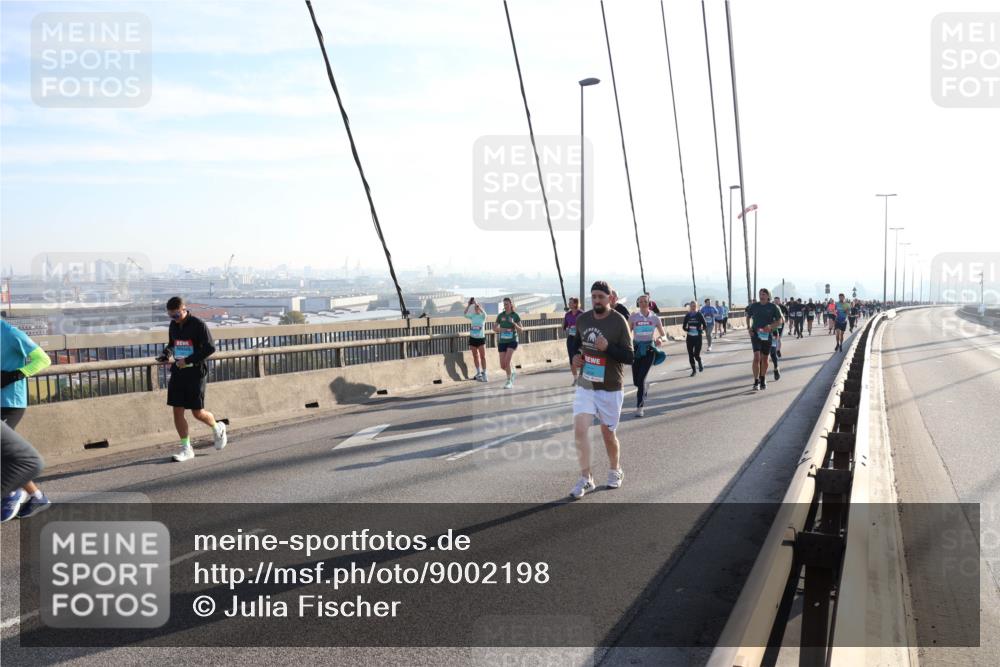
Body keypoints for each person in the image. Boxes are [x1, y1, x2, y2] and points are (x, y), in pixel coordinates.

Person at [569, 281, 633, 499]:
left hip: (610, 387)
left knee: (607, 433)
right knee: (580, 430)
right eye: (593, 296)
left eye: (600, 297)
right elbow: (576, 345)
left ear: (609, 298)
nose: (596, 300)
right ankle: (586, 478)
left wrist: (609, 348)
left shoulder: (619, 322)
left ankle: (616, 470)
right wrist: (576, 359)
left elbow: (629, 357)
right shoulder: (583, 319)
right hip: (587, 384)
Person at [158, 296, 228, 462]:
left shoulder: (198, 325)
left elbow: (210, 348)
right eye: (170, 316)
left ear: (184, 309)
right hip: (178, 373)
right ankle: (186, 448)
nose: (173, 319)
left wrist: (188, 360)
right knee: (177, 410)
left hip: (196, 373)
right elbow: (172, 343)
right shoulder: (173, 325)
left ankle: (217, 427)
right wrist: (166, 353)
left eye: (175, 315)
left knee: (197, 413)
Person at [1, 319, 53, 521]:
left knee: (5, 454)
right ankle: (36, 496)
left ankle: (11, 493)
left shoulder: (10, 332)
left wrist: (13, 375)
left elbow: (43, 359)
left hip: (10, 402)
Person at [629, 295, 665, 417]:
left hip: (649, 350)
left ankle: (640, 408)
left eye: (645, 301)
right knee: (636, 381)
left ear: (649, 303)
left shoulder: (655, 318)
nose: (643, 303)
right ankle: (644, 387)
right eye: (641, 302)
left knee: (641, 378)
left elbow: (663, 334)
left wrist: (659, 339)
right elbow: (628, 333)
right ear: (638, 303)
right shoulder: (633, 317)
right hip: (636, 350)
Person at [745, 288, 784, 391]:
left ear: (768, 296)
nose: (761, 296)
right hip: (756, 334)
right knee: (757, 357)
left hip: (767, 335)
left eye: (763, 294)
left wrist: (770, 326)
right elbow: (748, 317)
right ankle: (756, 381)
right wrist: (749, 328)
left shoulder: (773, 307)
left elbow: (780, 320)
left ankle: (763, 379)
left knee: (765, 358)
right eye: (760, 294)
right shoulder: (754, 306)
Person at [493, 297, 524, 389]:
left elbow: (521, 330)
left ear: (511, 304)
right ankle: (512, 371)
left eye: (507, 304)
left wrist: (514, 324)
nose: (505, 306)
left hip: (512, 340)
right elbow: (494, 328)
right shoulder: (500, 316)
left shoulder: (515, 315)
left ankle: (509, 381)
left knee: (507, 362)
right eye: (504, 304)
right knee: (503, 365)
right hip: (502, 341)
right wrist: (501, 329)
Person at [464, 298, 488, 382]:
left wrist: (478, 305)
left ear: (480, 308)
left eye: (478, 307)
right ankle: (478, 372)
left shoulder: (482, 316)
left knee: (483, 356)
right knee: (475, 356)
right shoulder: (473, 316)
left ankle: (485, 373)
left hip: (481, 339)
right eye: (475, 307)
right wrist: (469, 305)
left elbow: (485, 314)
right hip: (473, 338)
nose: (476, 308)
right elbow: (465, 314)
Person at [682, 301, 707, 376]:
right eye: (692, 306)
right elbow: (683, 326)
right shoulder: (688, 315)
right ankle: (694, 371)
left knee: (696, 355)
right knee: (690, 355)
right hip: (689, 338)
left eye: (694, 306)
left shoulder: (699, 314)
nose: (693, 307)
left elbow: (705, 325)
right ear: (690, 307)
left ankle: (699, 362)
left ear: (697, 307)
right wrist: (687, 329)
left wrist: (701, 330)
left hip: (698, 338)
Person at [563, 297, 584, 385]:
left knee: (581, 358)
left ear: (575, 304)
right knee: (571, 359)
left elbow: (586, 326)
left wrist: (578, 329)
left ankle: (582, 377)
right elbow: (564, 327)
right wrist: (567, 328)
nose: (569, 304)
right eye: (569, 302)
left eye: (571, 302)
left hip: (580, 339)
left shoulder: (582, 314)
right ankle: (575, 379)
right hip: (571, 338)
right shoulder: (567, 315)